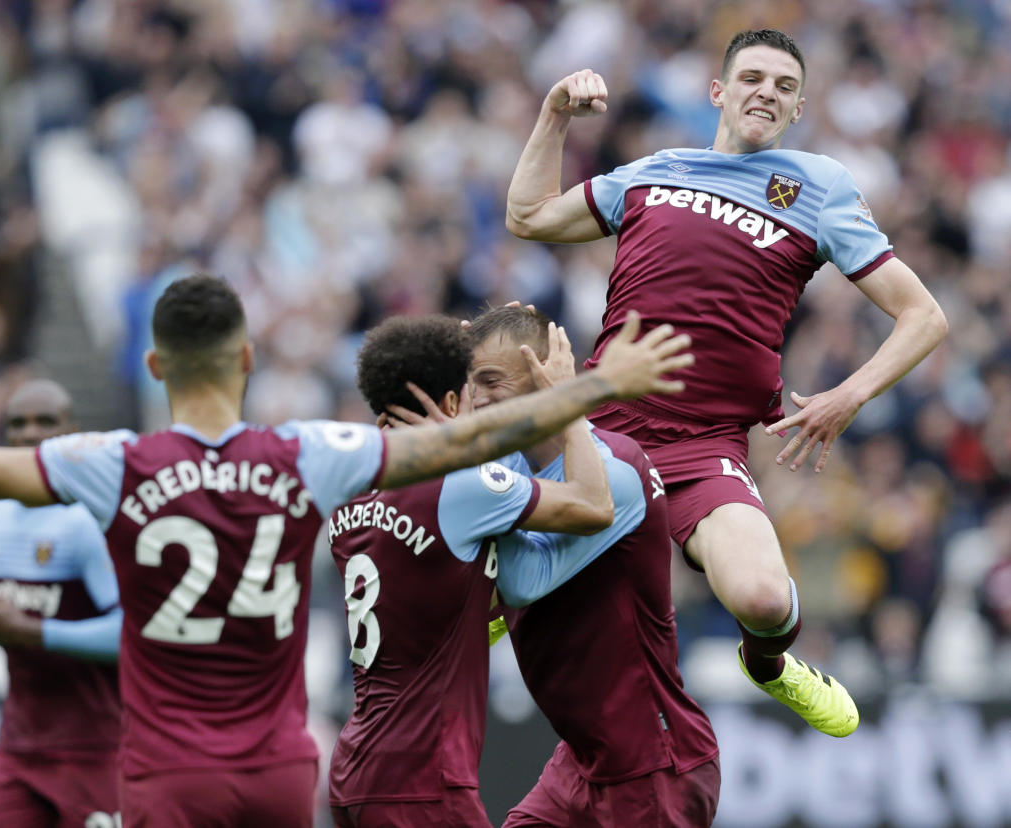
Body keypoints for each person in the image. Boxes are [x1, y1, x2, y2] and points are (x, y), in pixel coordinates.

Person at [0, 273, 691, 828]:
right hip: (279, 770)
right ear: (249, 359)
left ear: (153, 368)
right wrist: (595, 385)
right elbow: (458, 452)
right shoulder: (307, 457)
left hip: (171, 771)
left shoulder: (116, 464)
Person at [503, 28, 948, 736]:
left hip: (704, 446)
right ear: (719, 90)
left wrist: (848, 395)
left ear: (798, 107)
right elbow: (527, 217)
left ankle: (767, 665)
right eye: (752, 78)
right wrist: (554, 113)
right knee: (488, 505)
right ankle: (493, 608)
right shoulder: (653, 170)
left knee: (767, 600)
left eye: (783, 85)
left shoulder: (817, 185)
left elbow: (923, 316)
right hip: (602, 431)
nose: (765, 92)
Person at [329, 314, 656, 827]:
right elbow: (594, 504)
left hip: (354, 768)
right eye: (471, 389)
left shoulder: (346, 491)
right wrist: (568, 401)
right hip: (426, 780)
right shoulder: (463, 488)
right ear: (455, 404)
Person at [468, 305, 720, 827]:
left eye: (490, 381)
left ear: (545, 379)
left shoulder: (616, 475)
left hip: (651, 767)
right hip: (583, 760)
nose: (475, 399)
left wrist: (480, 492)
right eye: (469, 382)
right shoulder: (510, 463)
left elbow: (518, 583)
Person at [0, 379, 122, 828]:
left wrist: (32, 631)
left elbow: (131, 634)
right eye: (18, 424)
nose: (30, 434)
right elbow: (17, 623)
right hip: (18, 749)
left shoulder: (89, 520)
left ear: (74, 432)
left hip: (97, 750)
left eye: (45, 422)